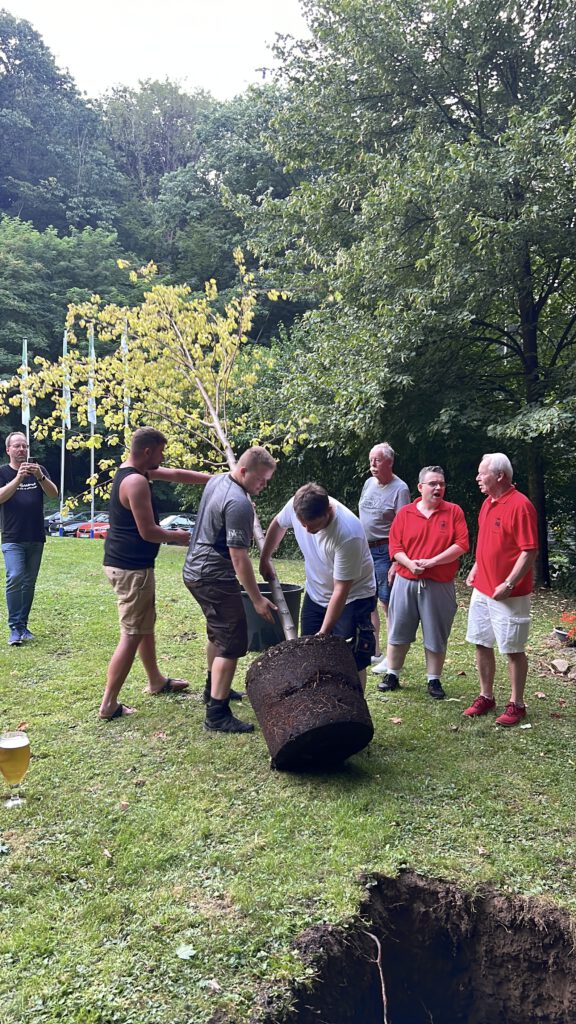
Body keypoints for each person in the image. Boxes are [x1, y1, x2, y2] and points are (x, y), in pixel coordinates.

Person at [100, 426, 211, 721]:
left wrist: (217, 479)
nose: (163, 458)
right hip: (131, 569)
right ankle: (108, 704)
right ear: (148, 451)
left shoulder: (134, 471)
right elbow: (148, 532)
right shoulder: (136, 481)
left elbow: (176, 474)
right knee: (132, 634)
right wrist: (180, 537)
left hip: (130, 566)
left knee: (144, 625)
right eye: (161, 452)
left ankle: (156, 681)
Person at [183, 446, 277, 734]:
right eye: (261, 479)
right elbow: (239, 557)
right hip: (212, 576)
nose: (264, 485)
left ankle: (213, 688)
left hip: (196, 570)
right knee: (232, 641)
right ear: (244, 471)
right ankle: (217, 714)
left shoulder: (219, 481)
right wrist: (257, 599)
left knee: (218, 633)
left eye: (268, 481)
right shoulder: (239, 503)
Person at [260, 483, 376, 689]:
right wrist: (265, 558)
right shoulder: (298, 505)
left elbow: (341, 590)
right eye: (302, 524)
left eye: (312, 524)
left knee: (349, 657)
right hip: (316, 593)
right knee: (309, 651)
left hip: (353, 598)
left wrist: (324, 633)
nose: (306, 529)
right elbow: (278, 524)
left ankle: (354, 704)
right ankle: (317, 699)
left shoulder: (348, 533)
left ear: (328, 510)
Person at [379, 466, 469, 699]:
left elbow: (461, 545)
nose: (438, 487)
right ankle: (392, 674)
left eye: (441, 484)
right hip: (405, 580)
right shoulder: (405, 513)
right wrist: (409, 564)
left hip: (439, 583)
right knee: (398, 629)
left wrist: (432, 562)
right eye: (433, 484)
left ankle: (433, 680)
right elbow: (395, 547)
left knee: (436, 633)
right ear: (420, 487)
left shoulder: (454, 512)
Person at [464, 453, 538, 727]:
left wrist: (509, 583)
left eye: (482, 473)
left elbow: (529, 551)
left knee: (513, 648)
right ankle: (486, 696)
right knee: (481, 641)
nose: (477, 478)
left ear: (499, 476)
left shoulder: (521, 506)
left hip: (509, 594)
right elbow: (487, 542)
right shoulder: (488, 503)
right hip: (482, 589)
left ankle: (517, 704)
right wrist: (476, 567)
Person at [0, 431, 58, 646]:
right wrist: (19, 478)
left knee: (29, 582)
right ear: (8, 450)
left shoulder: (39, 470)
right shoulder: (3, 472)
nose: (21, 449)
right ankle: (14, 627)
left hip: (35, 536)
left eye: (24, 446)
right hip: (12, 536)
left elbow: (53, 494)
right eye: (17, 446)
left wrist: (40, 476)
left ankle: (22, 626)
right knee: (15, 576)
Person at [358, 442, 410, 674]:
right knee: (368, 599)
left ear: (390, 462)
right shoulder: (368, 483)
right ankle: (374, 650)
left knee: (387, 603)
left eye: (377, 460)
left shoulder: (400, 489)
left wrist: (397, 561)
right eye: (371, 460)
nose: (372, 465)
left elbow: (405, 527)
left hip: (385, 551)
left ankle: (392, 657)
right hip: (364, 549)